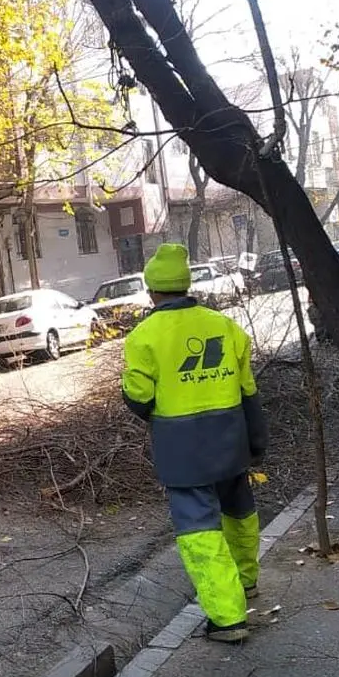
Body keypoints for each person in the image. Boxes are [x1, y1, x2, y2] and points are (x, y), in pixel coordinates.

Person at [121, 244, 268, 643]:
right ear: (186, 286)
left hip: (184, 450)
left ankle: (227, 618)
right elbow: (247, 389)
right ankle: (246, 582)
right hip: (231, 438)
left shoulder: (144, 337)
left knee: (199, 532)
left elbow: (139, 398)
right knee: (240, 514)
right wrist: (256, 438)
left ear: (152, 292)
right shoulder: (224, 326)